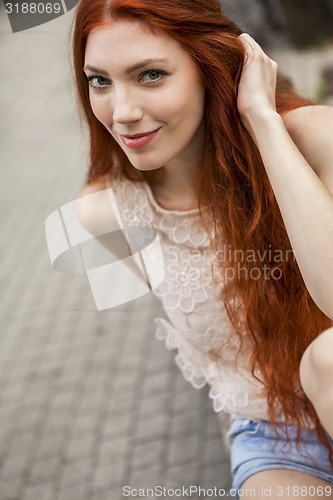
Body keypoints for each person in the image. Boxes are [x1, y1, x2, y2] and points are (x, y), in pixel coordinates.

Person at [71, 0, 333, 497]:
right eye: (99, 80)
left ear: (207, 65)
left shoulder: (316, 138)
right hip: (274, 431)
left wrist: (261, 121)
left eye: (150, 75)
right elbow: (216, 355)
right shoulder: (103, 214)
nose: (122, 113)